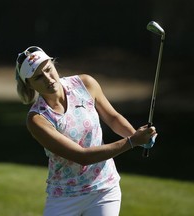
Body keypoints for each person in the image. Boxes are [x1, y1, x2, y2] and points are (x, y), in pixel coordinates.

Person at [15, 46, 157, 216]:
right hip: (64, 196)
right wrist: (133, 141)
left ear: (53, 63)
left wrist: (137, 135)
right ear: (29, 84)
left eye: (48, 69)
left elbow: (112, 118)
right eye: (38, 77)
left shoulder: (85, 84)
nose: (47, 78)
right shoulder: (37, 119)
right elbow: (82, 156)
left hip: (104, 188)